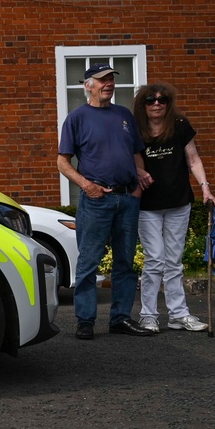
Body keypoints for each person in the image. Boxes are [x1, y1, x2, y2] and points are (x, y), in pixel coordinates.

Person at [57, 63, 154, 340]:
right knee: (89, 262)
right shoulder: (77, 118)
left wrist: (137, 186)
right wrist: (87, 186)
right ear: (88, 85)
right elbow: (62, 162)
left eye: (111, 79)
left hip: (127, 199)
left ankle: (120, 319)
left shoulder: (124, 115)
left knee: (125, 262)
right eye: (102, 80)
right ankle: (85, 321)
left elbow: (135, 153)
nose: (108, 83)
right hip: (96, 201)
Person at [132, 84, 215, 332]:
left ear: (168, 103)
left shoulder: (180, 125)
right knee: (155, 259)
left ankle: (179, 314)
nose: (157, 104)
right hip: (147, 205)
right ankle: (148, 315)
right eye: (150, 100)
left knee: (174, 260)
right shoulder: (135, 130)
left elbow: (193, 159)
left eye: (162, 100)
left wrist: (205, 188)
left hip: (179, 203)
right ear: (143, 104)